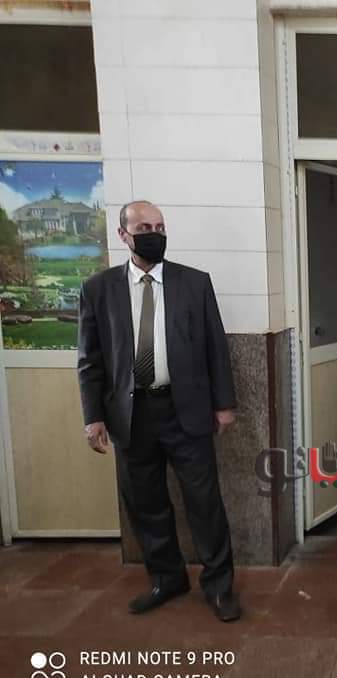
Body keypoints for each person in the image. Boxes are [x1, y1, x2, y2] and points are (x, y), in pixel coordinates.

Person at [77, 200, 241, 622]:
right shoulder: (98, 289)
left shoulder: (194, 283)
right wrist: (93, 416)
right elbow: (90, 360)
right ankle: (167, 578)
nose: (155, 234)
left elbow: (215, 347)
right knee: (146, 503)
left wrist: (224, 404)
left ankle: (219, 585)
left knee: (204, 502)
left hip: (186, 410)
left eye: (160, 227)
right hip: (131, 416)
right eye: (145, 228)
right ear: (123, 235)